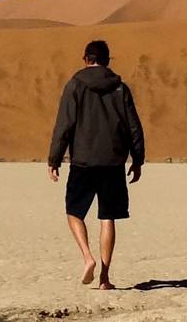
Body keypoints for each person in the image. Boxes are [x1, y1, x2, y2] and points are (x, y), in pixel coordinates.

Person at [46, 39, 144, 290]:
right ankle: (104, 278)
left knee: (74, 212)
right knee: (108, 217)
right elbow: (133, 126)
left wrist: (54, 158)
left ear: (86, 59)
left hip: (84, 161)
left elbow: (64, 125)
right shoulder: (120, 88)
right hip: (113, 162)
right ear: (107, 60)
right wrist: (138, 159)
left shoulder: (76, 85)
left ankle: (87, 258)